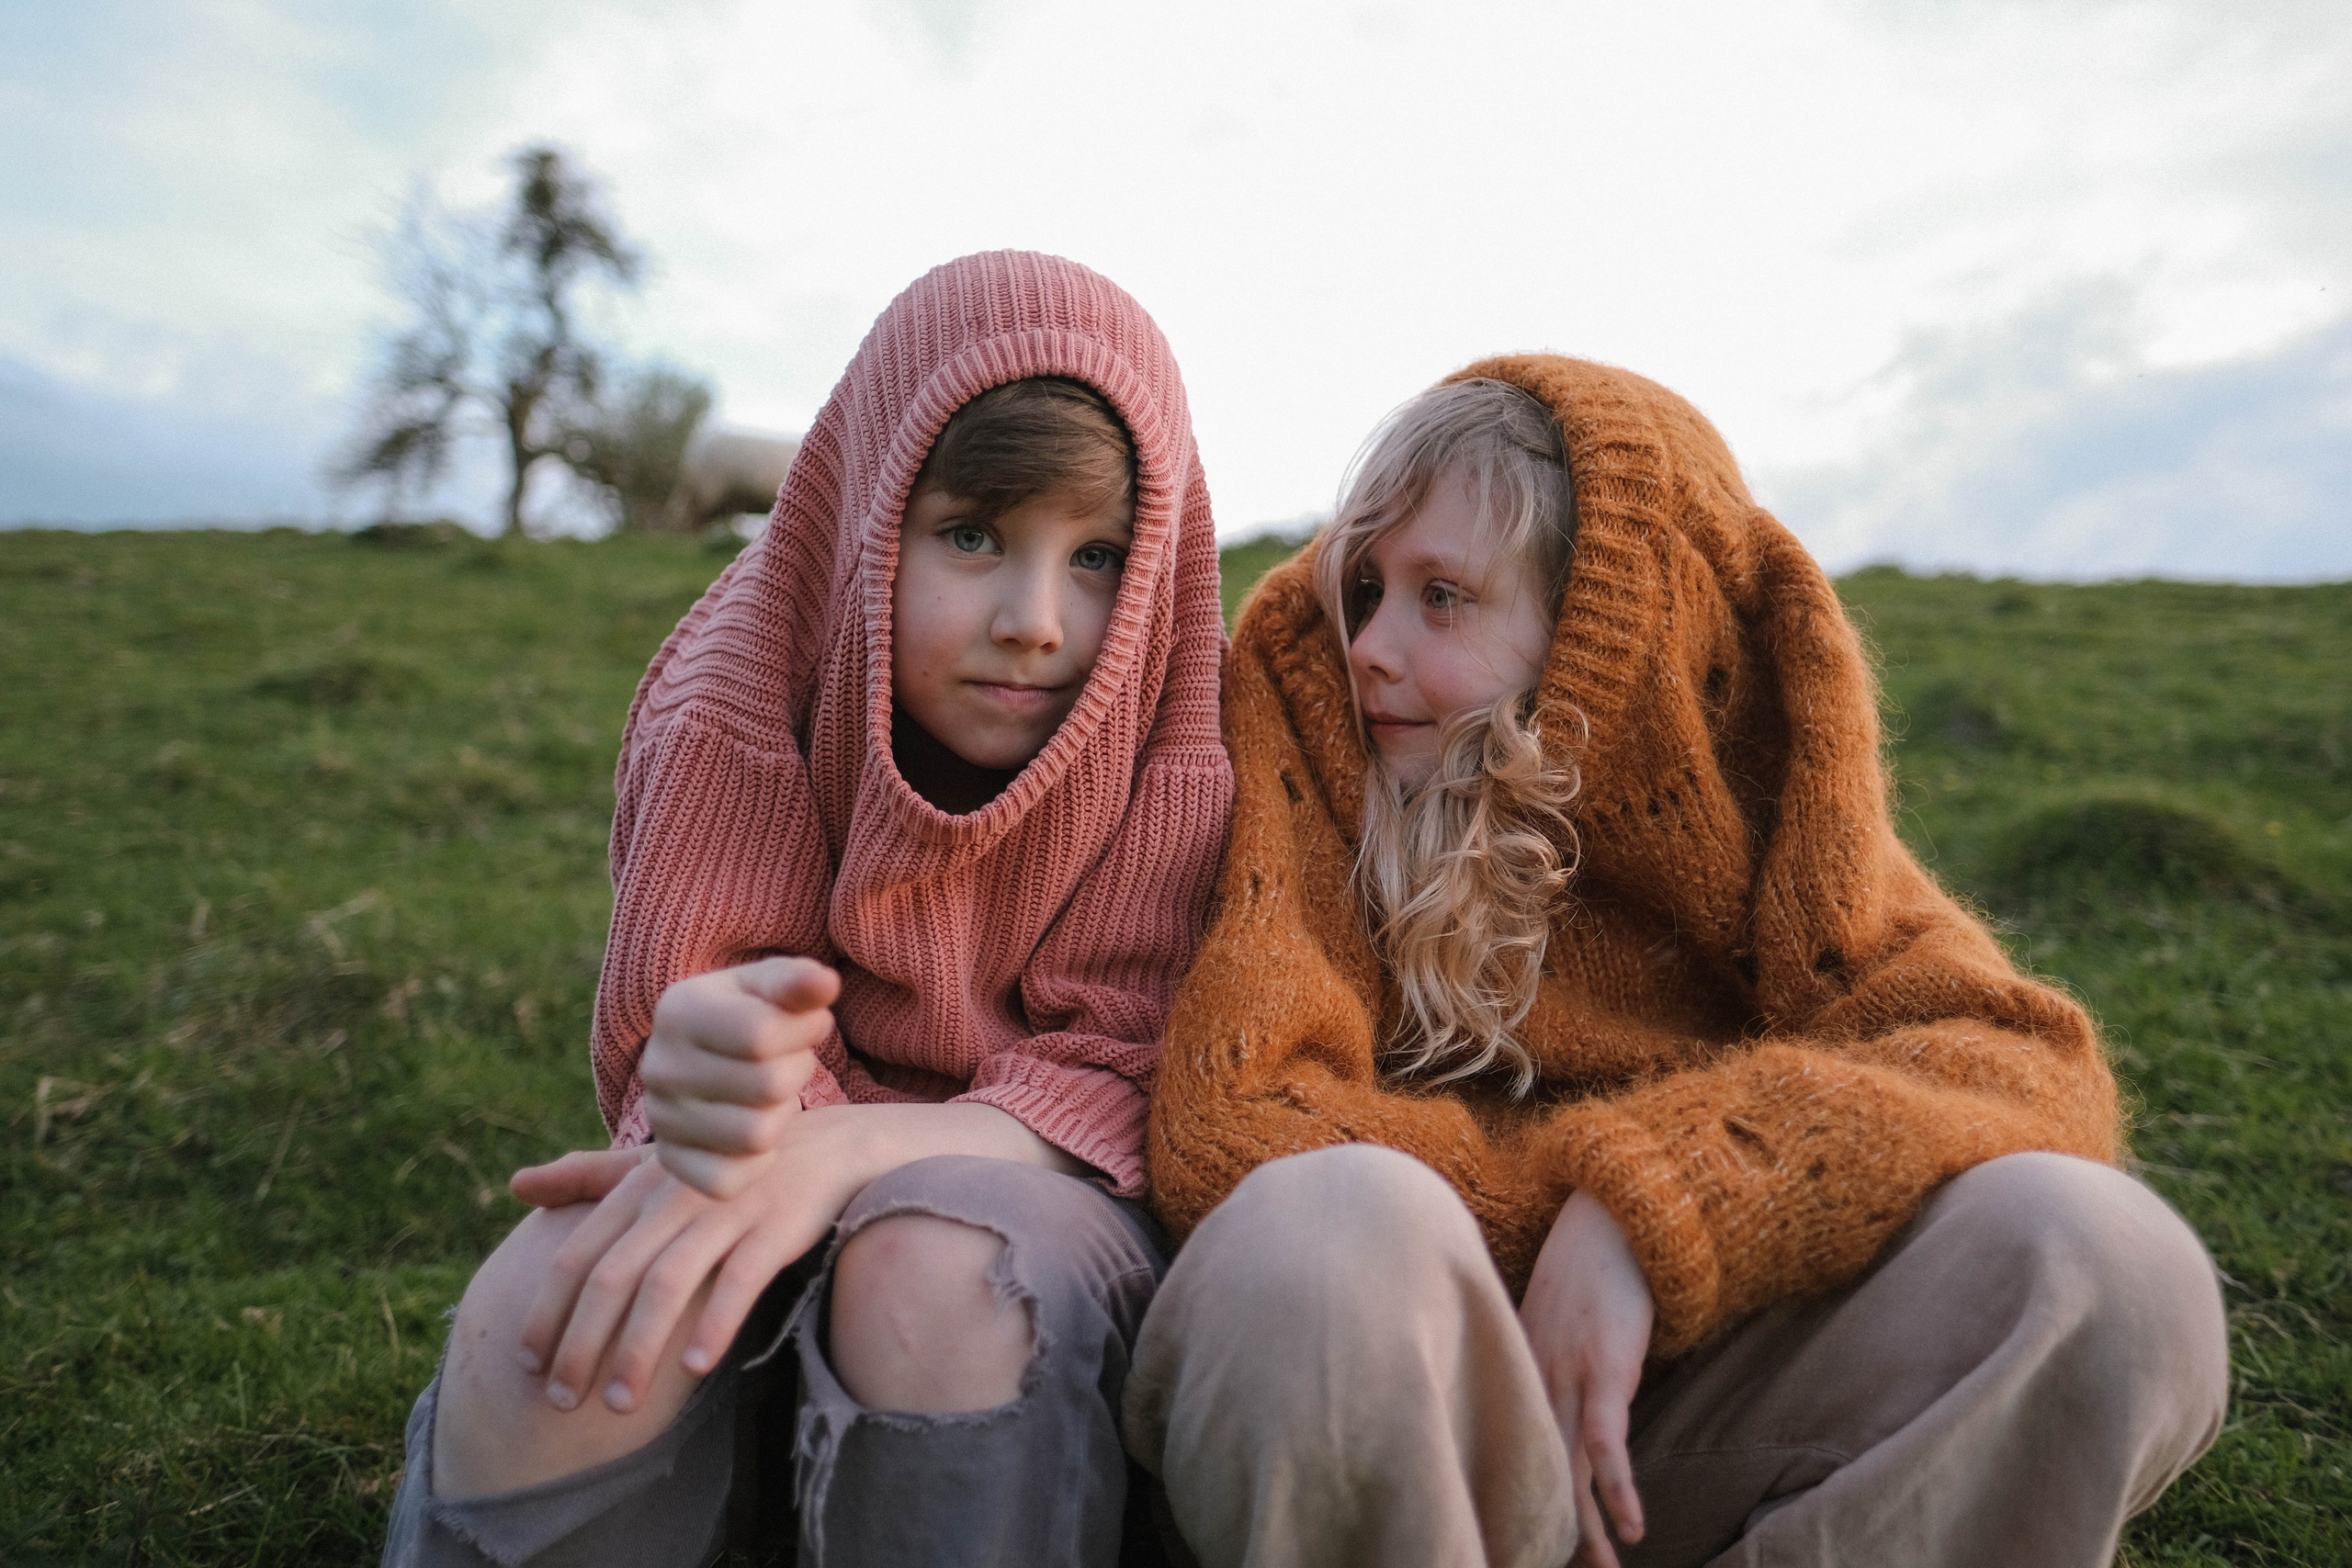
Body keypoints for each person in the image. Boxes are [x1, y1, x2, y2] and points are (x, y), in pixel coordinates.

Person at [1124, 364, 2229, 1568]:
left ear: (1613, 636)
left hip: (1696, 1413)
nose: (1372, 649)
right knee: (1314, 1237)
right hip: (1411, 1414)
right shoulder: (1304, 726)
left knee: (2110, 1264)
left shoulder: (1761, 792)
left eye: (1443, 597)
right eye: (1368, 587)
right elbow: (1238, 1124)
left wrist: (1664, 1200)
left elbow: (2023, 1070)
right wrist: (1585, 1220)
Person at [383, 251, 1234, 1568]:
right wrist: (720, 1064)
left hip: (1035, 1198)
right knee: (550, 1307)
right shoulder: (733, 696)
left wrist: (846, 1156)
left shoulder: (1180, 743)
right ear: (865, 516)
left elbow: (1136, 1064)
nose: (1035, 622)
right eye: (971, 536)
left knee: (942, 1275)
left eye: (1100, 556)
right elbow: (692, 1044)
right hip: (771, 1168)